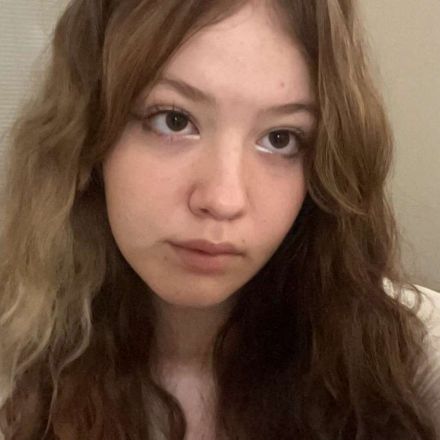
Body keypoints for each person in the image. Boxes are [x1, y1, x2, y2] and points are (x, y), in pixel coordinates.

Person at [0, 0, 438, 438]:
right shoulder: (14, 365)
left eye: (280, 138)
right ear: (86, 135)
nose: (224, 200)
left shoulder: (406, 358)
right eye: (174, 120)